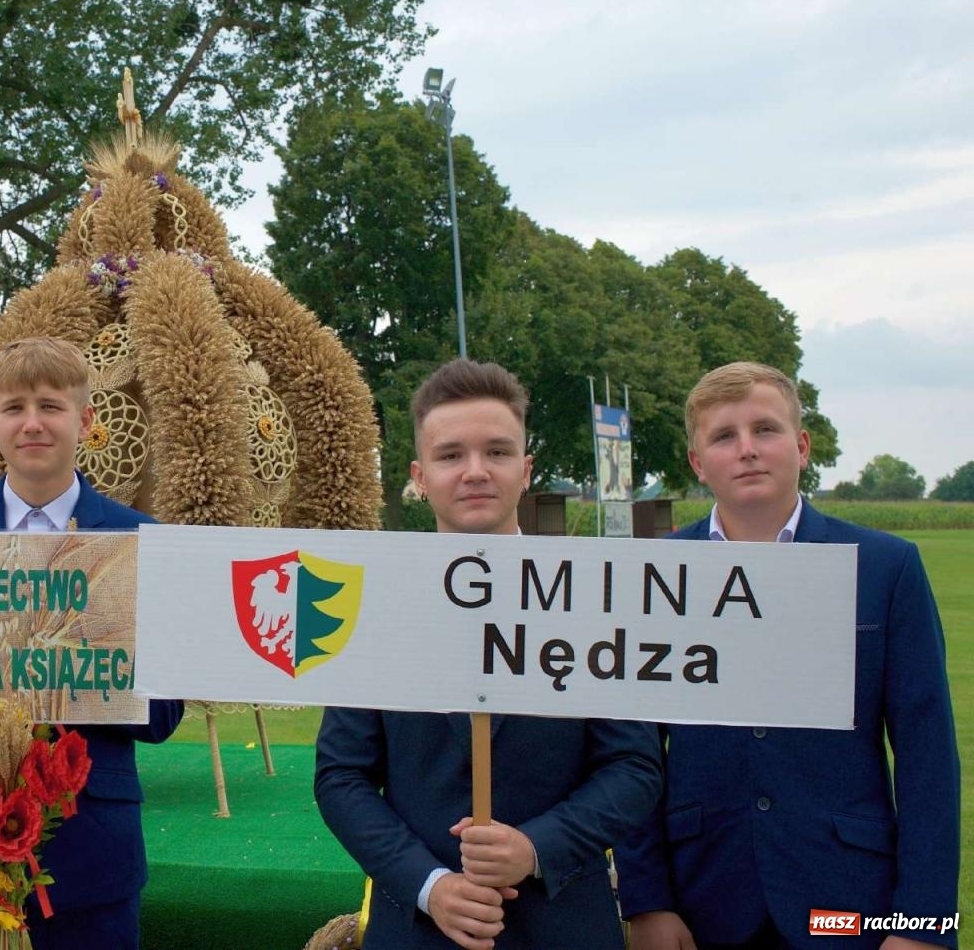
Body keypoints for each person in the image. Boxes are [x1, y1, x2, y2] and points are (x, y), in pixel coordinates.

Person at [314, 358, 663, 950]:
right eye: (451, 456)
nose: (475, 471)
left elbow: (634, 768)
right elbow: (341, 775)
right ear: (420, 477)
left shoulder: (594, 599)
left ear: (526, 470)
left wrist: (535, 848)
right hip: (418, 930)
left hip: (564, 927)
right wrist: (429, 886)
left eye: (497, 452)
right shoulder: (374, 604)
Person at [615, 362, 960, 950]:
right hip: (703, 899)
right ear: (699, 463)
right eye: (724, 437)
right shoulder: (653, 574)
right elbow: (631, 752)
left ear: (801, 446)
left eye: (765, 430)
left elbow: (927, 757)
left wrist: (923, 925)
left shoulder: (884, 567)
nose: (747, 450)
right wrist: (647, 900)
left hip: (849, 901)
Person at [0, 336, 184, 950]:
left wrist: (67, 670)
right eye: (14, 407)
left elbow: (166, 712)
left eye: (51, 406)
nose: (32, 423)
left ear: (86, 421)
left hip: (91, 848)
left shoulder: (142, 540)